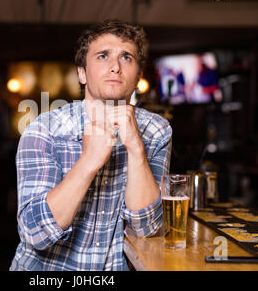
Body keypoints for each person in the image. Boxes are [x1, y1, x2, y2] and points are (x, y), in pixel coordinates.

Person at [10, 19, 172, 271]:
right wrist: (88, 161)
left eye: (126, 57)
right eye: (103, 56)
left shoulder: (156, 130)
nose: (115, 67)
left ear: (139, 76)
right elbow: (36, 234)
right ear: (82, 73)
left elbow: (147, 230)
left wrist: (135, 148)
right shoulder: (45, 129)